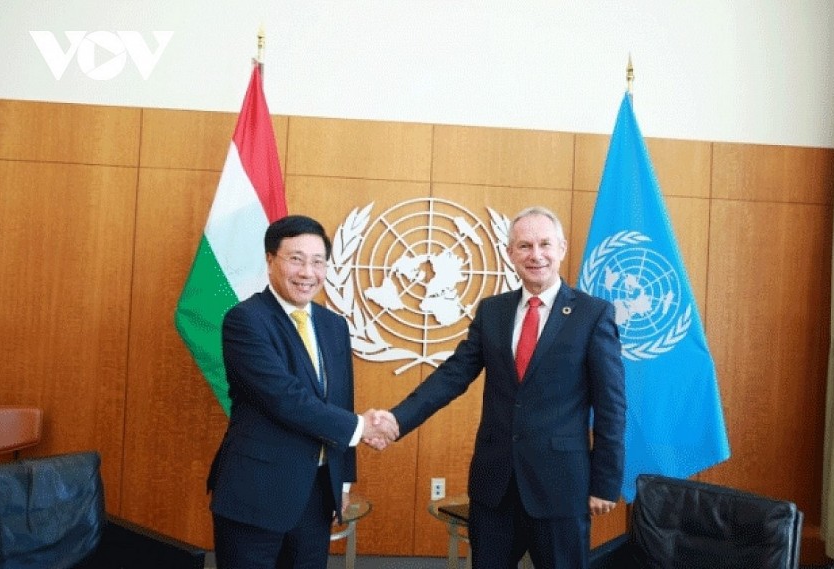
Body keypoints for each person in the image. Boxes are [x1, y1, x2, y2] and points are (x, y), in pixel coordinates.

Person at [374, 206, 626, 568]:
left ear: (562, 248)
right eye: (524, 246)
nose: (535, 255)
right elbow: (454, 374)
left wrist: (605, 481)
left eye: (544, 244)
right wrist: (398, 419)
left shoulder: (593, 314)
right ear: (510, 254)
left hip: (560, 487)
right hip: (495, 488)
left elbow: (611, 406)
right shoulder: (493, 311)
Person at [207, 215, 398, 569]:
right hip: (257, 493)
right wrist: (362, 428)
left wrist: (343, 478)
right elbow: (285, 398)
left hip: (317, 493)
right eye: (295, 258)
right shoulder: (246, 320)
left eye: (318, 261)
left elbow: (341, 400)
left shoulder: (333, 325)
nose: (307, 272)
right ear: (270, 260)